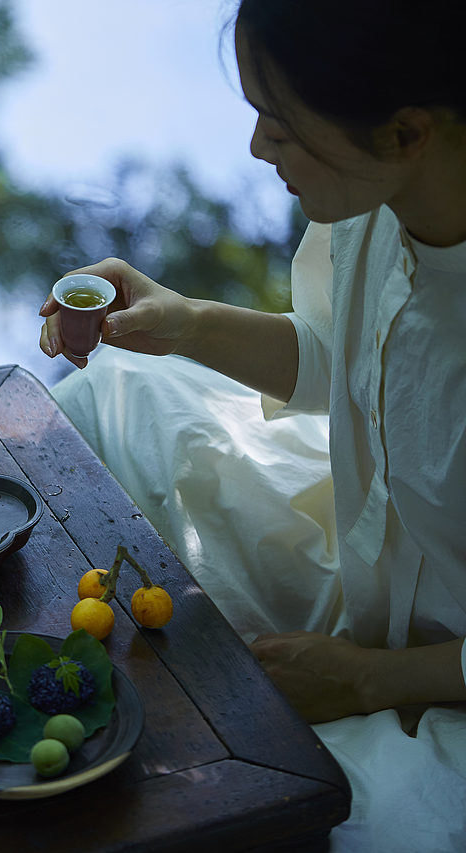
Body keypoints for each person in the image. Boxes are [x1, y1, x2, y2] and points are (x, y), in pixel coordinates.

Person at [39, 1, 466, 850]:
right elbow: (347, 364)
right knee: (112, 394)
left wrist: (369, 680)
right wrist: (187, 321)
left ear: (407, 131)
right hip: (364, 571)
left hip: (443, 682)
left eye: (281, 125)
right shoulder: (374, 201)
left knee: (346, 831)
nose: (256, 149)